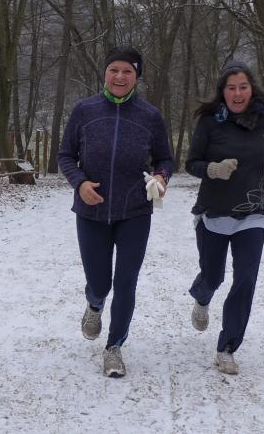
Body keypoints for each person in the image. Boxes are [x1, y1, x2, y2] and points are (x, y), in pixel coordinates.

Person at [58, 46, 174, 377]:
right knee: (100, 283)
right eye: (114, 70)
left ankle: (114, 347)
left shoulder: (150, 116)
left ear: (137, 77)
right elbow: (65, 155)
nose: (120, 76)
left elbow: (165, 159)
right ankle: (94, 304)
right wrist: (80, 182)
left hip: (135, 211)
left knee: (125, 282)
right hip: (91, 212)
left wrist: (161, 177)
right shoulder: (85, 111)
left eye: (127, 71)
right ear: (105, 73)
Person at [184, 60, 264, 375]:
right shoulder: (210, 122)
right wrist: (213, 169)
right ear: (222, 91)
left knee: (245, 279)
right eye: (231, 88)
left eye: (243, 87)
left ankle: (226, 348)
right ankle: (202, 298)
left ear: (251, 89)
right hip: (214, 212)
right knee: (213, 276)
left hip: (253, 213)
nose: (237, 93)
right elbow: (191, 163)